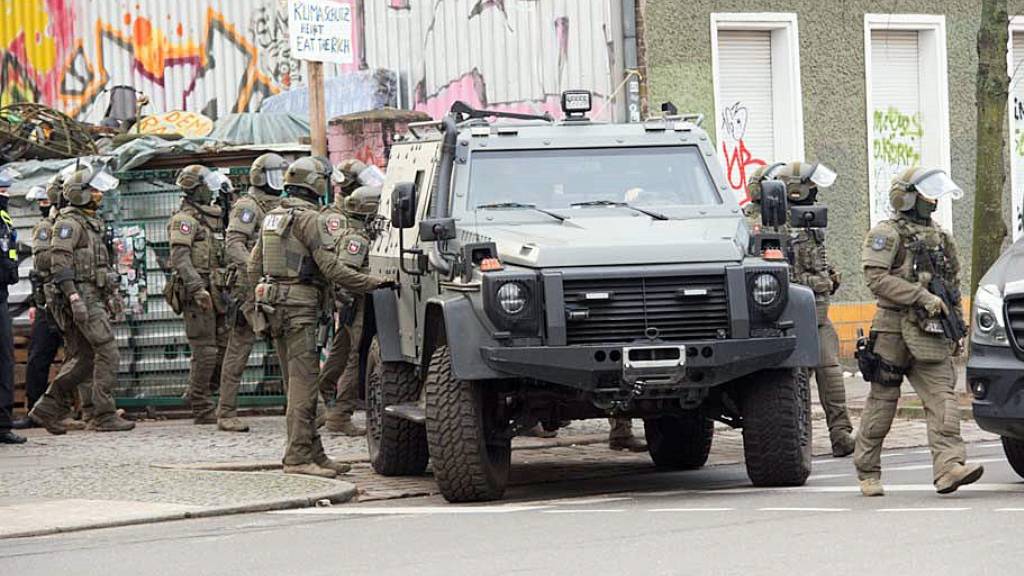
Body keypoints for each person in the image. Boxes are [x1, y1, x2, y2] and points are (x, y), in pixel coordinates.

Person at [248, 156, 389, 478]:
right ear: (315, 184)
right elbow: (334, 270)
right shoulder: (312, 220)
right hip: (299, 308)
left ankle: (315, 453)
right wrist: (377, 284)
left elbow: (254, 266)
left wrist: (256, 298)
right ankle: (298, 458)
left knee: (296, 382)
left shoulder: (274, 217)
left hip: (274, 306)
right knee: (304, 386)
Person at [854, 167, 983, 496]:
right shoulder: (886, 233)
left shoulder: (941, 238)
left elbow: (951, 288)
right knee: (882, 401)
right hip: (892, 330)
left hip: (932, 331)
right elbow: (876, 279)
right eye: (927, 194)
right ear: (907, 197)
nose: (933, 201)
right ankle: (867, 471)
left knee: (943, 399)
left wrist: (958, 329)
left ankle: (949, 467)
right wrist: (920, 296)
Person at [758, 161, 855, 457]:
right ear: (796, 190)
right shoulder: (768, 225)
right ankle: (796, 441)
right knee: (794, 382)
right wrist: (819, 281)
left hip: (819, 314)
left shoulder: (809, 222)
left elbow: (817, 262)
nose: (814, 192)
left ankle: (841, 434)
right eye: (810, 186)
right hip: (791, 316)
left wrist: (830, 276)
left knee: (831, 373)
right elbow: (772, 273)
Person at [28, 166, 134, 433]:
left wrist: (110, 295)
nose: (99, 195)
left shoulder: (89, 222)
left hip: (91, 295)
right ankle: (103, 414)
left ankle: (46, 409)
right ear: (80, 194)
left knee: (85, 358)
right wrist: (74, 297)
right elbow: (58, 263)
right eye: (93, 190)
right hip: (81, 296)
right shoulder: (68, 224)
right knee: (107, 351)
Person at [216, 153, 288, 432]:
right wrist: (255, 270)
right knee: (240, 347)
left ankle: (306, 407)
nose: (279, 178)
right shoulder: (248, 206)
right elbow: (234, 243)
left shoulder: (279, 204)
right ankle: (226, 412)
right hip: (249, 288)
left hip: (275, 286)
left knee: (288, 348)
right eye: (274, 173)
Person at [13, 176, 88, 431]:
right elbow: (42, 266)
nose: (47, 203)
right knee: (40, 356)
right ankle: (37, 410)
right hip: (50, 302)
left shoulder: (70, 222)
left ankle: (78, 409)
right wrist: (37, 302)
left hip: (66, 298)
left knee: (77, 355)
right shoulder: (47, 228)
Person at [165, 165, 231, 425]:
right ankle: (201, 406)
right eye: (207, 185)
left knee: (224, 348)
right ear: (195, 189)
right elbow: (179, 258)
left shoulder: (212, 218)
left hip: (217, 290)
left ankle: (197, 390)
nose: (211, 190)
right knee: (205, 350)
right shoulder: (185, 220)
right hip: (198, 291)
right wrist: (196, 288)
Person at [318, 185, 381, 436]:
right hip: (354, 304)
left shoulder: (355, 233)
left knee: (340, 353)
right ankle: (340, 414)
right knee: (353, 358)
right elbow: (345, 273)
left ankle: (320, 400)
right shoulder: (356, 238)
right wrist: (373, 280)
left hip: (350, 304)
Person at [0, 173, 24, 443]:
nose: (5, 194)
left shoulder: (3, 218)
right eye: (1, 189)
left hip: (1, 296)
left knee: (5, 361)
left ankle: (2, 425)